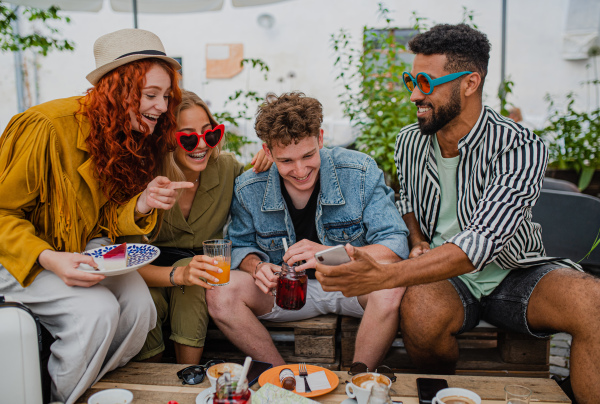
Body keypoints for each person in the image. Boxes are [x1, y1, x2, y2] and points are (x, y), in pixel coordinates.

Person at [315, 24, 600, 403]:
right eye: (411, 80)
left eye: (426, 82)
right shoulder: (409, 141)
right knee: (419, 311)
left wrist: (385, 275)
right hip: (444, 278)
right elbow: (409, 203)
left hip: (514, 271)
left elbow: (483, 242)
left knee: (593, 302)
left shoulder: (521, 146)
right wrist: (416, 241)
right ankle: (442, 394)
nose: (415, 94)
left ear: (469, 82)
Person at [0, 29, 192, 404]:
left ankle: (79, 389)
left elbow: (103, 220)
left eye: (166, 96)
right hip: (23, 256)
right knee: (97, 312)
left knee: (139, 307)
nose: (162, 107)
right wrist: (51, 259)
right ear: (118, 90)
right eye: (150, 95)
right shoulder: (45, 127)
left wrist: (143, 203)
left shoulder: (123, 134)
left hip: (80, 250)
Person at [207, 92, 409, 369]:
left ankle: (358, 382)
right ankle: (279, 379)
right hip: (285, 292)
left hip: (353, 286)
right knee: (220, 292)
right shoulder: (248, 187)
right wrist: (256, 267)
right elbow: (239, 245)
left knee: (391, 284)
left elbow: (395, 246)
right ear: (267, 152)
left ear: (321, 139)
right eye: (286, 161)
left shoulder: (359, 171)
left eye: (308, 155)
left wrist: (329, 253)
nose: (300, 170)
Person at [128, 90, 271, 365]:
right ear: (166, 139)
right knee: (146, 301)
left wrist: (272, 158)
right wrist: (179, 273)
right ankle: (152, 379)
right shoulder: (144, 175)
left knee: (196, 284)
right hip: (151, 268)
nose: (203, 144)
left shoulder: (227, 168)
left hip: (202, 269)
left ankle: (187, 373)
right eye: (189, 137)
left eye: (211, 133)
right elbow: (129, 259)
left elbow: (259, 188)